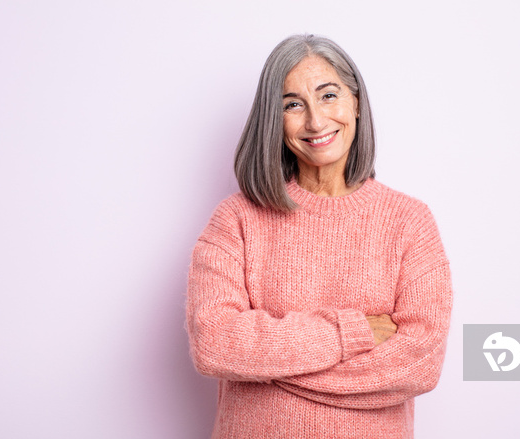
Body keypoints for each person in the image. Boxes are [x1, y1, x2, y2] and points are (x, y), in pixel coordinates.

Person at [186, 34, 453, 439]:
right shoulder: (236, 219)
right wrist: (350, 333)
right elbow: (215, 343)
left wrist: (269, 367)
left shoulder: (409, 222)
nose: (315, 120)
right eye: (293, 104)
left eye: (329, 95)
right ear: (275, 121)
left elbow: (420, 363)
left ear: (356, 102)